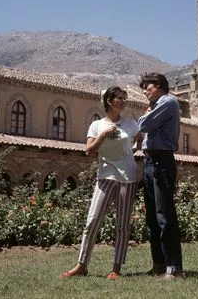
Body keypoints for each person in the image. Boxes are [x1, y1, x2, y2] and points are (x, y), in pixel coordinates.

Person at [59, 86, 143, 280]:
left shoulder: (131, 124)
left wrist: (133, 152)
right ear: (109, 101)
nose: (123, 101)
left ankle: (116, 268)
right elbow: (89, 150)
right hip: (105, 176)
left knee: (122, 225)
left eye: (124, 98)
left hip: (127, 178)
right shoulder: (96, 125)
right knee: (93, 220)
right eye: (119, 98)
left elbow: (140, 140)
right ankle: (81, 265)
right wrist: (103, 135)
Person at [138, 73, 183, 280]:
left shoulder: (168, 102)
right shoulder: (157, 107)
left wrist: (146, 114)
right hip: (149, 162)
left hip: (162, 162)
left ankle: (173, 267)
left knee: (165, 216)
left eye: (147, 87)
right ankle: (158, 264)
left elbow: (143, 126)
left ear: (158, 86)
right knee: (152, 217)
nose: (144, 91)